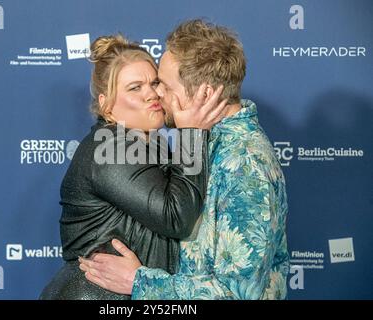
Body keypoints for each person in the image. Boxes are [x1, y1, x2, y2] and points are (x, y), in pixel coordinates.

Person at [79, 19, 290, 300]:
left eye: (162, 85)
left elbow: (236, 294)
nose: (156, 95)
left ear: (203, 92)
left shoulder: (244, 163)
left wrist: (140, 282)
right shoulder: (205, 143)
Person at [39, 34, 228, 299]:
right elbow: (177, 217)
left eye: (154, 83)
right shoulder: (110, 149)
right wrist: (192, 133)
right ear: (106, 105)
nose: (152, 93)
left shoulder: (152, 143)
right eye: (135, 88)